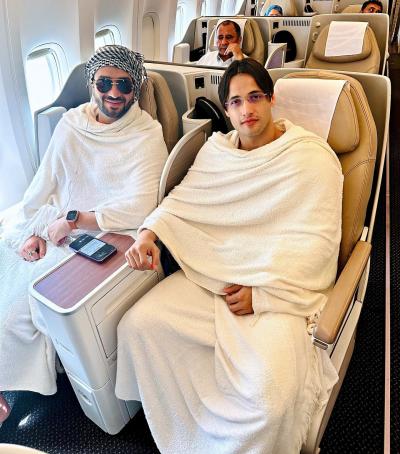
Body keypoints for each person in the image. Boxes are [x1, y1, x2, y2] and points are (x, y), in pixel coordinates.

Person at [116, 59, 342, 454]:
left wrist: (262, 296)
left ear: (271, 99)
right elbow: (182, 201)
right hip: (214, 277)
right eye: (236, 102)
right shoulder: (216, 152)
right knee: (139, 325)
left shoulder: (311, 157)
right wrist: (148, 235)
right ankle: (191, 438)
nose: (246, 109)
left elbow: (318, 246)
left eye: (255, 97)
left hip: (276, 293)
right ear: (226, 109)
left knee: (268, 401)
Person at [0, 44, 168, 424]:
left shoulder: (146, 134)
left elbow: (140, 205)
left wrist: (73, 221)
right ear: (92, 83)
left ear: (136, 88)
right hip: (54, 224)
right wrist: (35, 230)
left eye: (124, 84)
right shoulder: (71, 123)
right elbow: (46, 183)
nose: (114, 93)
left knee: (14, 311)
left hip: (104, 232)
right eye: (104, 82)